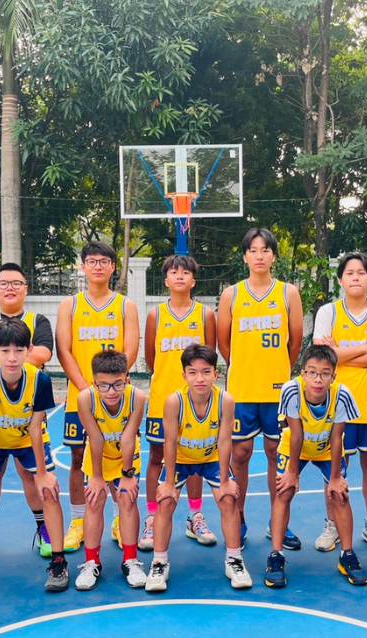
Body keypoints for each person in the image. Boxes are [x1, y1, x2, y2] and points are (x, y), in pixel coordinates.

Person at [0, 320, 68, 597]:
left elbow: (35, 428)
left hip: (26, 440)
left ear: (29, 350)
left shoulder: (40, 380)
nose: (11, 357)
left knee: (49, 490)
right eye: (5, 350)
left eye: (18, 350)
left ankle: (59, 562)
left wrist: (42, 473)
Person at [217, 228, 303, 549]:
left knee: (275, 454)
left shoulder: (288, 293)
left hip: (277, 391)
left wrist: (279, 370)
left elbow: (295, 342)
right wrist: (242, 366)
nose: (259, 255)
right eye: (253, 250)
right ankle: (238, 518)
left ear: (274, 256)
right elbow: (224, 344)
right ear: (244, 256)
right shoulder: (231, 294)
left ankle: (278, 522)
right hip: (241, 389)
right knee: (240, 454)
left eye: (265, 250)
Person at [0, 262, 55, 559]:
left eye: (16, 283)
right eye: (3, 283)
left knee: (31, 475)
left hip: (28, 410)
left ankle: (43, 529)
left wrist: (3, 357)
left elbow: (43, 354)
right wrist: (13, 359)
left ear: (25, 288)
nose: (10, 288)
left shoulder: (38, 320)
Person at [145, 344, 252, 592]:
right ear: (184, 375)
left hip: (210, 456)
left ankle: (234, 559)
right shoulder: (174, 401)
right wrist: (169, 484)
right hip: (181, 458)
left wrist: (225, 480)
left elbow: (224, 441)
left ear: (216, 374)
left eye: (206, 372)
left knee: (228, 498)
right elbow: (170, 443)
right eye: (192, 372)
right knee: (165, 502)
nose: (199, 378)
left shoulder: (225, 400)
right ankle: (159, 562)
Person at [55, 242, 140, 553]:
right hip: (80, 395)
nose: (98, 266)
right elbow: (63, 350)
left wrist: (110, 388)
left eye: (104, 261)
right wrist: (89, 391)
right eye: (92, 261)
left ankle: (118, 518)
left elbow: (130, 350)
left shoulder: (125, 305)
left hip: (117, 398)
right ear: (83, 267)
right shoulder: (70, 305)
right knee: (78, 458)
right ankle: (78, 521)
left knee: (118, 457)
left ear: (113, 267)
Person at [264, 345, 367, 588]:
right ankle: (276, 556)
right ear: (303, 373)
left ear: (334, 376)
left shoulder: (342, 394)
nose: (318, 379)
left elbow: (337, 437)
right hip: (294, 446)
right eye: (312, 372)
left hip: (327, 448)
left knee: (340, 495)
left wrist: (335, 478)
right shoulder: (291, 390)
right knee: (284, 491)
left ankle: (347, 555)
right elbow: (296, 433)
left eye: (324, 373)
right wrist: (292, 473)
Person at [313, 252, 367, 551]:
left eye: (361, 273)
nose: (356, 278)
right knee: (335, 469)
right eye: (350, 273)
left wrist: (343, 354)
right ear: (340, 280)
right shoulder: (328, 312)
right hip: (337, 404)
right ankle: (333, 525)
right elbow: (324, 357)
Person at [141, 255, 217, 551]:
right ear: (166, 280)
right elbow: (151, 359)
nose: (180, 276)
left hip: (196, 401)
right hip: (162, 398)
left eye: (186, 272)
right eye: (174, 272)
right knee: (156, 456)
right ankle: (151, 517)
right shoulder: (155, 315)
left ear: (193, 281)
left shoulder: (205, 314)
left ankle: (195, 516)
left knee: (195, 457)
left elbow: (209, 357)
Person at [74, 350, 147, 590]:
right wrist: (96, 477)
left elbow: (128, 438)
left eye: (118, 384)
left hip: (126, 455)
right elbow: (95, 438)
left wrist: (127, 475)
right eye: (104, 386)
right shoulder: (85, 398)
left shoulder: (137, 397)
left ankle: (131, 560)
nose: (112, 391)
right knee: (94, 501)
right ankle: (91, 562)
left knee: (127, 499)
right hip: (98, 456)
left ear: (127, 379)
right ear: (94, 383)